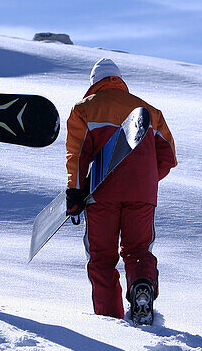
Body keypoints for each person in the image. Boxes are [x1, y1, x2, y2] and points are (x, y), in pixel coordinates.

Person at [65, 58, 176, 324]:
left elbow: (77, 155)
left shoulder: (84, 109)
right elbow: (169, 157)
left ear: (94, 83)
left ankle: (110, 322)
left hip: (102, 195)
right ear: (119, 80)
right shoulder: (150, 111)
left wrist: (75, 192)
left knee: (102, 258)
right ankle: (142, 286)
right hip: (142, 194)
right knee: (138, 250)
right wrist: (145, 180)